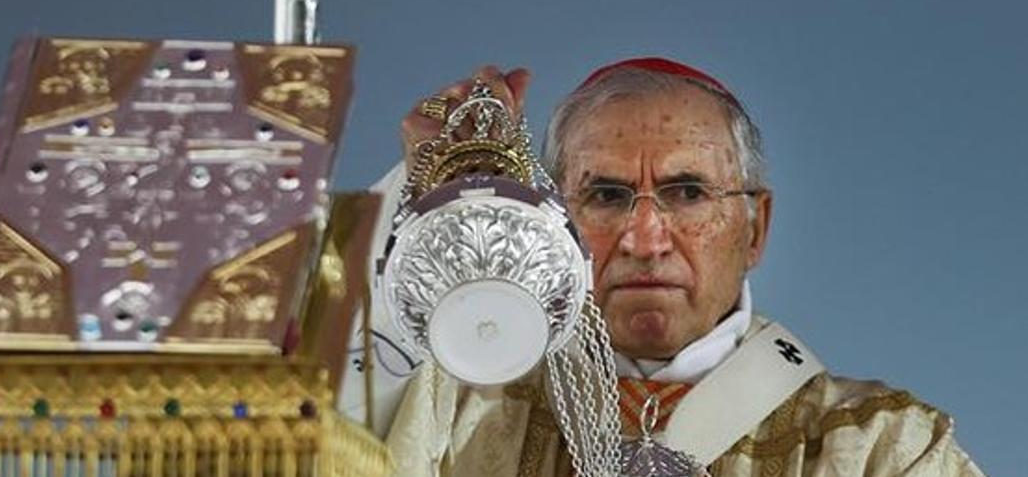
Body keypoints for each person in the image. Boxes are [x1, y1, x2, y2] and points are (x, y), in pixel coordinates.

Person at [382, 58, 983, 476]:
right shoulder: (453, 414)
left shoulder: (885, 450)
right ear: (556, 227)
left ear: (756, 228)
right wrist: (427, 217)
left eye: (689, 192)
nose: (646, 239)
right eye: (607, 195)